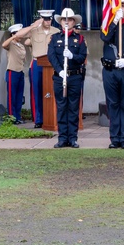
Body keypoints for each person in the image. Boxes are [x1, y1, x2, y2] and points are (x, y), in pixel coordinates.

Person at [47, 8, 88, 148]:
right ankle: (62, 138)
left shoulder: (80, 39)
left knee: (73, 108)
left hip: (75, 76)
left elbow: (82, 57)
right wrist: (59, 71)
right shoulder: (55, 38)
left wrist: (72, 56)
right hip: (60, 77)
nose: (66, 22)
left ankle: (73, 137)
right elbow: (51, 56)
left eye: (69, 19)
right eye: (64, 19)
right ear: (60, 22)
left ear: (73, 22)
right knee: (61, 106)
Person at [12, 9, 59, 128]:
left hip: (52, 64)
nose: (47, 21)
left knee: (53, 91)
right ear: (41, 19)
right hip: (37, 63)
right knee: (37, 92)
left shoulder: (56, 31)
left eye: (49, 19)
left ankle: (54, 117)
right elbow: (19, 35)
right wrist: (34, 25)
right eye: (45, 19)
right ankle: (39, 119)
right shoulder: (34, 31)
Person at [101, 0, 124, 149]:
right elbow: (105, 37)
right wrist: (115, 21)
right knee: (112, 104)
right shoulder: (108, 25)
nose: (121, 9)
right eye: (118, 6)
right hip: (110, 70)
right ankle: (115, 138)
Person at [0, 23, 28, 123]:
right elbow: (4, 45)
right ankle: (12, 117)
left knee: (19, 96)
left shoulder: (21, 45)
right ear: (13, 34)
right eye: (18, 33)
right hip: (12, 72)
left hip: (20, 72)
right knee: (12, 96)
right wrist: (14, 37)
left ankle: (18, 116)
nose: (21, 35)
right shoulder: (11, 44)